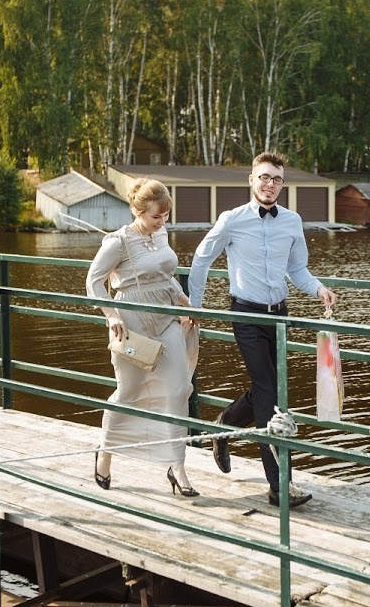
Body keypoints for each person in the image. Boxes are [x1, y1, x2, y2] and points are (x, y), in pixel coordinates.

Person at [188, 152, 337, 508]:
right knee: (270, 394)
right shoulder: (231, 220)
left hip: (279, 317)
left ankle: (223, 428)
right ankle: (278, 486)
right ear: (251, 180)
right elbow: (201, 259)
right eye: (264, 177)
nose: (270, 184)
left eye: (277, 179)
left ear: (282, 184)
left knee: (265, 388)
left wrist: (318, 289)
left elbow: (297, 269)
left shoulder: (292, 221)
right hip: (246, 315)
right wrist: (194, 304)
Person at [87, 178, 199, 497]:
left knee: (179, 388)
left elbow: (166, 275)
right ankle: (105, 453)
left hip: (166, 319)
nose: (161, 223)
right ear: (138, 212)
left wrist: (183, 300)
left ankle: (176, 467)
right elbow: (93, 282)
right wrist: (111, 316)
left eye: (166, 216)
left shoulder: (160, 233)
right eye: (155, 217)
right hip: (132, 325)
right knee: (128, 393)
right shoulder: (118, 242)